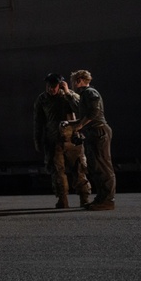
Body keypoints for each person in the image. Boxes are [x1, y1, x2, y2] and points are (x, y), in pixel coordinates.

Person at [32, 73, 91, 208]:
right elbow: (38, 122)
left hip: (72, 139)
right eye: (48, 86)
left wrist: (68, 93)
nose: (50, 89)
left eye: (53, 86)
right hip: (53, 140)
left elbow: (81, 110)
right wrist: (37, 140)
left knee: (79, 169)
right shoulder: (42, 100)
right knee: (57, 171)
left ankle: (84, 198)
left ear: (60, 85)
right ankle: (62, 199)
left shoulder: (69, 96)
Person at [64, 69, 116, 211]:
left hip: (99, 131)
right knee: (95, 167)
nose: (72, 84)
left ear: (79, 81)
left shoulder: (90, 93)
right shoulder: (84, 94)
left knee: (103, 167)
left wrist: (79, 125)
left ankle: (108, 200)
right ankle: (101, 198)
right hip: (93, 132)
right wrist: (71, 123)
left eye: (73, 81)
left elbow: (94, 113)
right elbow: (85, 115)